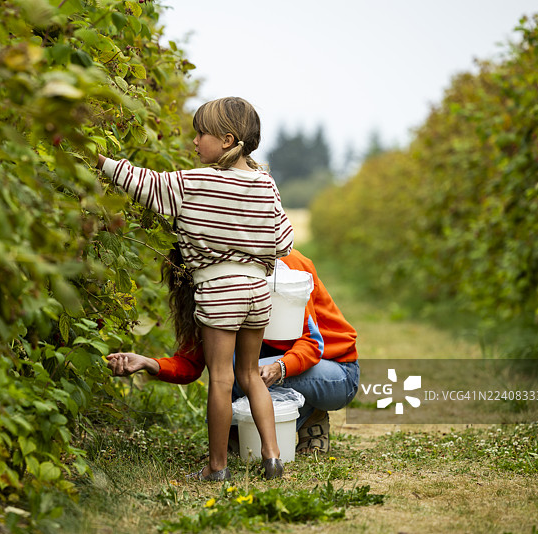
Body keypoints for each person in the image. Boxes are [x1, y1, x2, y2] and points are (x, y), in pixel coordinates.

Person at [97, 97, 294, 481]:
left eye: (200, 133)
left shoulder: (192, 182)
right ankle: (273, 458)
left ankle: (217, 468)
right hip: (257, 290)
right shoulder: (265, 185)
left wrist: (100, 162)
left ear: (226, 139)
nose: (194, 142)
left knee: (221, 379)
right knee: (250, 374)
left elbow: (143, 182)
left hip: (219, 289)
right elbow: (284, 241)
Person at [107, 248, 359, 455]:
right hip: (269, 368)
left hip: (335, 370)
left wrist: (279, 368)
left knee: (244, 371)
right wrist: (149, 363)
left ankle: (309, 416)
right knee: (232, 365)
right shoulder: (209, 284)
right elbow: (191, 362)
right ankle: (239, 434)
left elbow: (312, 343)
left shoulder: (285, 266)